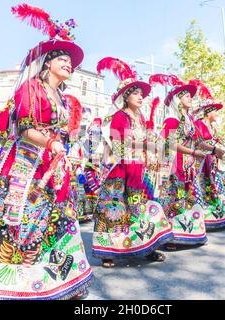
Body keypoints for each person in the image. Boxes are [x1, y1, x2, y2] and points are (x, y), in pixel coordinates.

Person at [0, 4, 93, 300]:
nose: (69, 64)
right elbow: (26, 128)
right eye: (63, 58)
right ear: (47, 62)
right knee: (22, 224)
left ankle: (59, 284)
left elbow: (62, 134)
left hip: (55, 169)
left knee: (58, 220)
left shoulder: (64, 99)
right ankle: (14, 289)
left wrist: (68, 150)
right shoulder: (31, 88)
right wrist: (52, 143)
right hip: (27, 169)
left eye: (70, 61)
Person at [92, 58, 174, 268]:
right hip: (121, 172)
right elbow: (119, 149)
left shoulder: (141, 119)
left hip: (139, 170)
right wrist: (143, 146)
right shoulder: (120, 117)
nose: (140, 97)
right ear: (126, 96)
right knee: (115, 211)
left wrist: (156, 148)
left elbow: (147, 142)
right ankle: (108, 252)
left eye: (141, 94)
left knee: (143, 209)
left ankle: (146, 247)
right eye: (136, 93)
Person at [153, 77, 209, 250]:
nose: (190, 98)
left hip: (188, 165)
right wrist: (192, 152)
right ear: (178, 100)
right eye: (186, 96)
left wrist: (214, 150)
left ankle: (190, 233)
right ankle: (171, 236)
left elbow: (199, 141)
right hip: (174, 165)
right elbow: (169, 144)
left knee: (188, 196)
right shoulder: (171, 120)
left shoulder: (190, 121)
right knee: (173, 196)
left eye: (190, 96)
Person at [194, 100, 225, 230]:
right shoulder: (198, 124)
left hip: (212, 161)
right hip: (201, 162)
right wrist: (213, 149)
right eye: (214, 111)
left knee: (218, 188)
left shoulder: (212, 128)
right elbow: (198, 142)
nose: (217, 114)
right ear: (207, 113)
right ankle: (203, 218)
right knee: (202, 187)